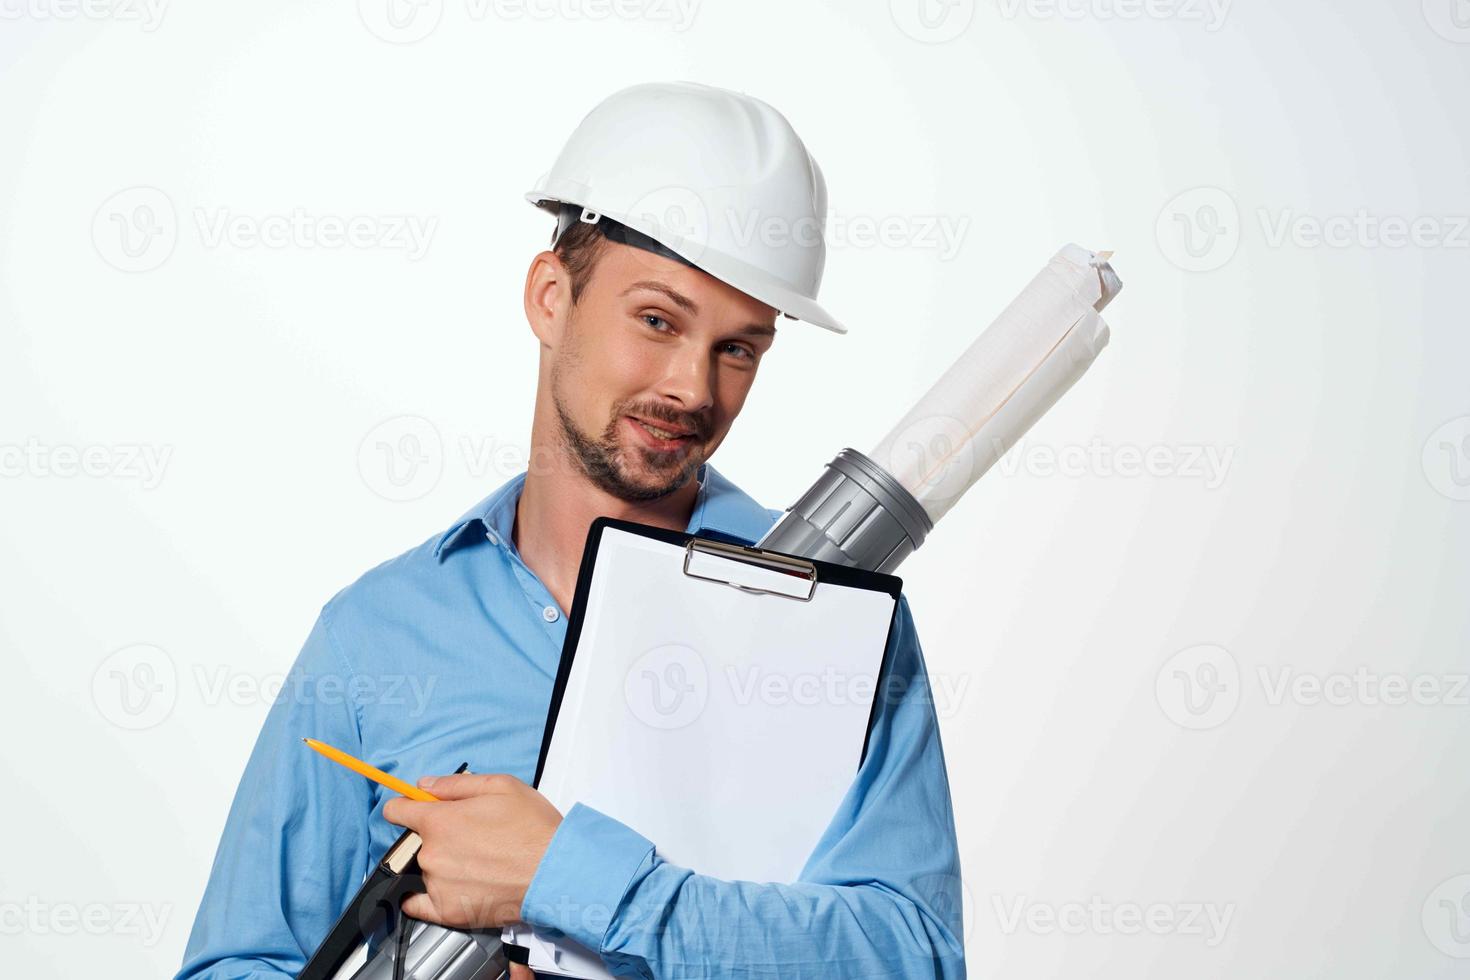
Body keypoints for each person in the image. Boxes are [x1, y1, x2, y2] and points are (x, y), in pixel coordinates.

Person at [174, 80, 966, 979]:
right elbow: (234, 966)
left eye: (737, 347)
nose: (693, 389)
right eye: (657, 320)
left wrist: (568, 880)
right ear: (551, 297)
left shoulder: (834, 616)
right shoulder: (374, 636)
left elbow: (915, 959)